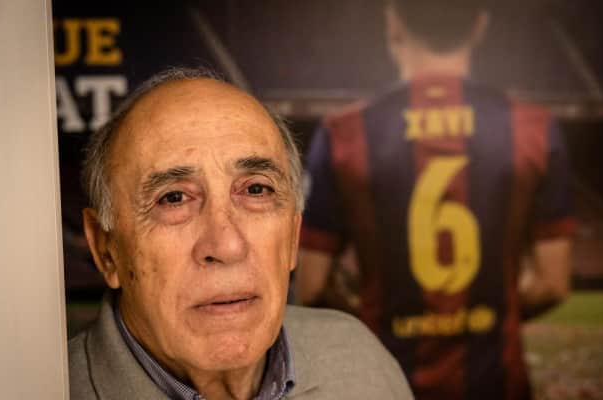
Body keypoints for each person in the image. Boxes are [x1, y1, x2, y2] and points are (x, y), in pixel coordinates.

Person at [68, 67, 413, 400]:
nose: (228, 245)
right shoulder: (53, 388)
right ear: (106, 250)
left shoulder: (359, 361)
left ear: (293, 236)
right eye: (173, 198)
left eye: (256, 190)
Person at [295, 1, 576, 398]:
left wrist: (376, 329)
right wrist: (493, 319)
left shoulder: (344, 134)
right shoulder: (532, 128)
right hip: (497, 382)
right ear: (479, 27)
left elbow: (311, 287)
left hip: (384, 383)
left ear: (393, 23)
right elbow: (552, 284)